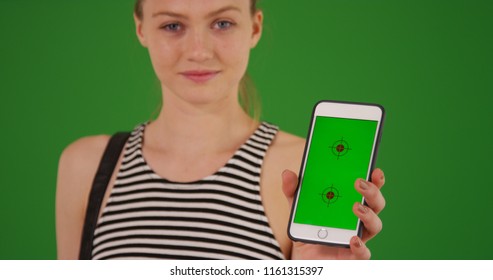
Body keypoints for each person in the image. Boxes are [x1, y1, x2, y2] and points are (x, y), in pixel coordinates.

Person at [56, 0, 386, 260]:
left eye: (222, 23)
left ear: (254, 28)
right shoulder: (86, 165)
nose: (199, 51)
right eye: (172, 25)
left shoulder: (300, 168)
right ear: (141, 29)